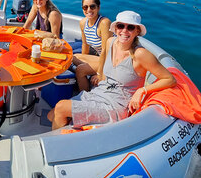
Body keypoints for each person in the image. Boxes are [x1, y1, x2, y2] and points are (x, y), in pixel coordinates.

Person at [48, 11, 176, 130]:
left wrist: (142, 90)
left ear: (137, 31)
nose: (124, 31)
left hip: (115, 106)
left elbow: (170, 79)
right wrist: (100, 75)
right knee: (51, 115)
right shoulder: (110, 42)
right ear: (115, 28)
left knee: (61, 108)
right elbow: (103, 60)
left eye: (130, 27)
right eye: (121, 26)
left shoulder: (140, 54)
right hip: (98, 93)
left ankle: (56, 147)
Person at [72, 0, 112, 92]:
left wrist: (99, 73)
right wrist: (83, 62)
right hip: (100, 58)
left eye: (92, 7)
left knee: (80, 70)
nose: (89, 10)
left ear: (98, 8)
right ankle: (87, 77)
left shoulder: (104, 23)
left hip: (111, 60)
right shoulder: (83, 23)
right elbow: (85, 45)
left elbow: (106, 51)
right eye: (85, 7)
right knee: (72, 57)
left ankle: (86, 95)